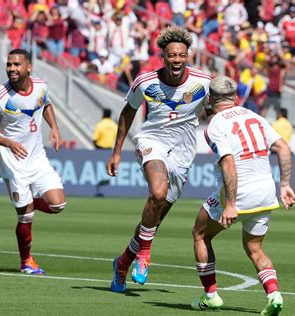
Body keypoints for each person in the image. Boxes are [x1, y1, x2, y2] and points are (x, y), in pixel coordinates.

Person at [107, 26, 212, 293]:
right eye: (171, 55)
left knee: (153, 220)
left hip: (184, 152)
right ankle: (144, 256)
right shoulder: (145, 82)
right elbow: (127, 112)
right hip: (151, 141)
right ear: (162, 57)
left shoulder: (203, 82)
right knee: (157, 191)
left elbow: (214, 114)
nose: (176, 60)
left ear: (187, 56)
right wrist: (117, 151)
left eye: (181, 55)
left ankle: (121, 263)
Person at [190, 76, 295, 314]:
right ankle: (274, 294)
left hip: (239, 193)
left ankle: (210, 296)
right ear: (235, 98)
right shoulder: (255, 116)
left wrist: (230, 204)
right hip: (266, 192)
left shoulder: (215, 125)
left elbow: (228, 162)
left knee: (199, 234)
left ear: (210, 99)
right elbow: (283, 147)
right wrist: (285, 185)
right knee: (255, 249)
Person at [0, 49, 67, 275]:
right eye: (9, 64)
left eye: (16, 64)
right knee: (25, 216)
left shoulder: (40, 86)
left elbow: (45, 104)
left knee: (58, 204)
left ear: (28, 67)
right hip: (13, 163)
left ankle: (28, 202)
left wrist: (55, 128)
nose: (11, 68)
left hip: (37, 158)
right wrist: (9, 143)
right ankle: (26, 261)